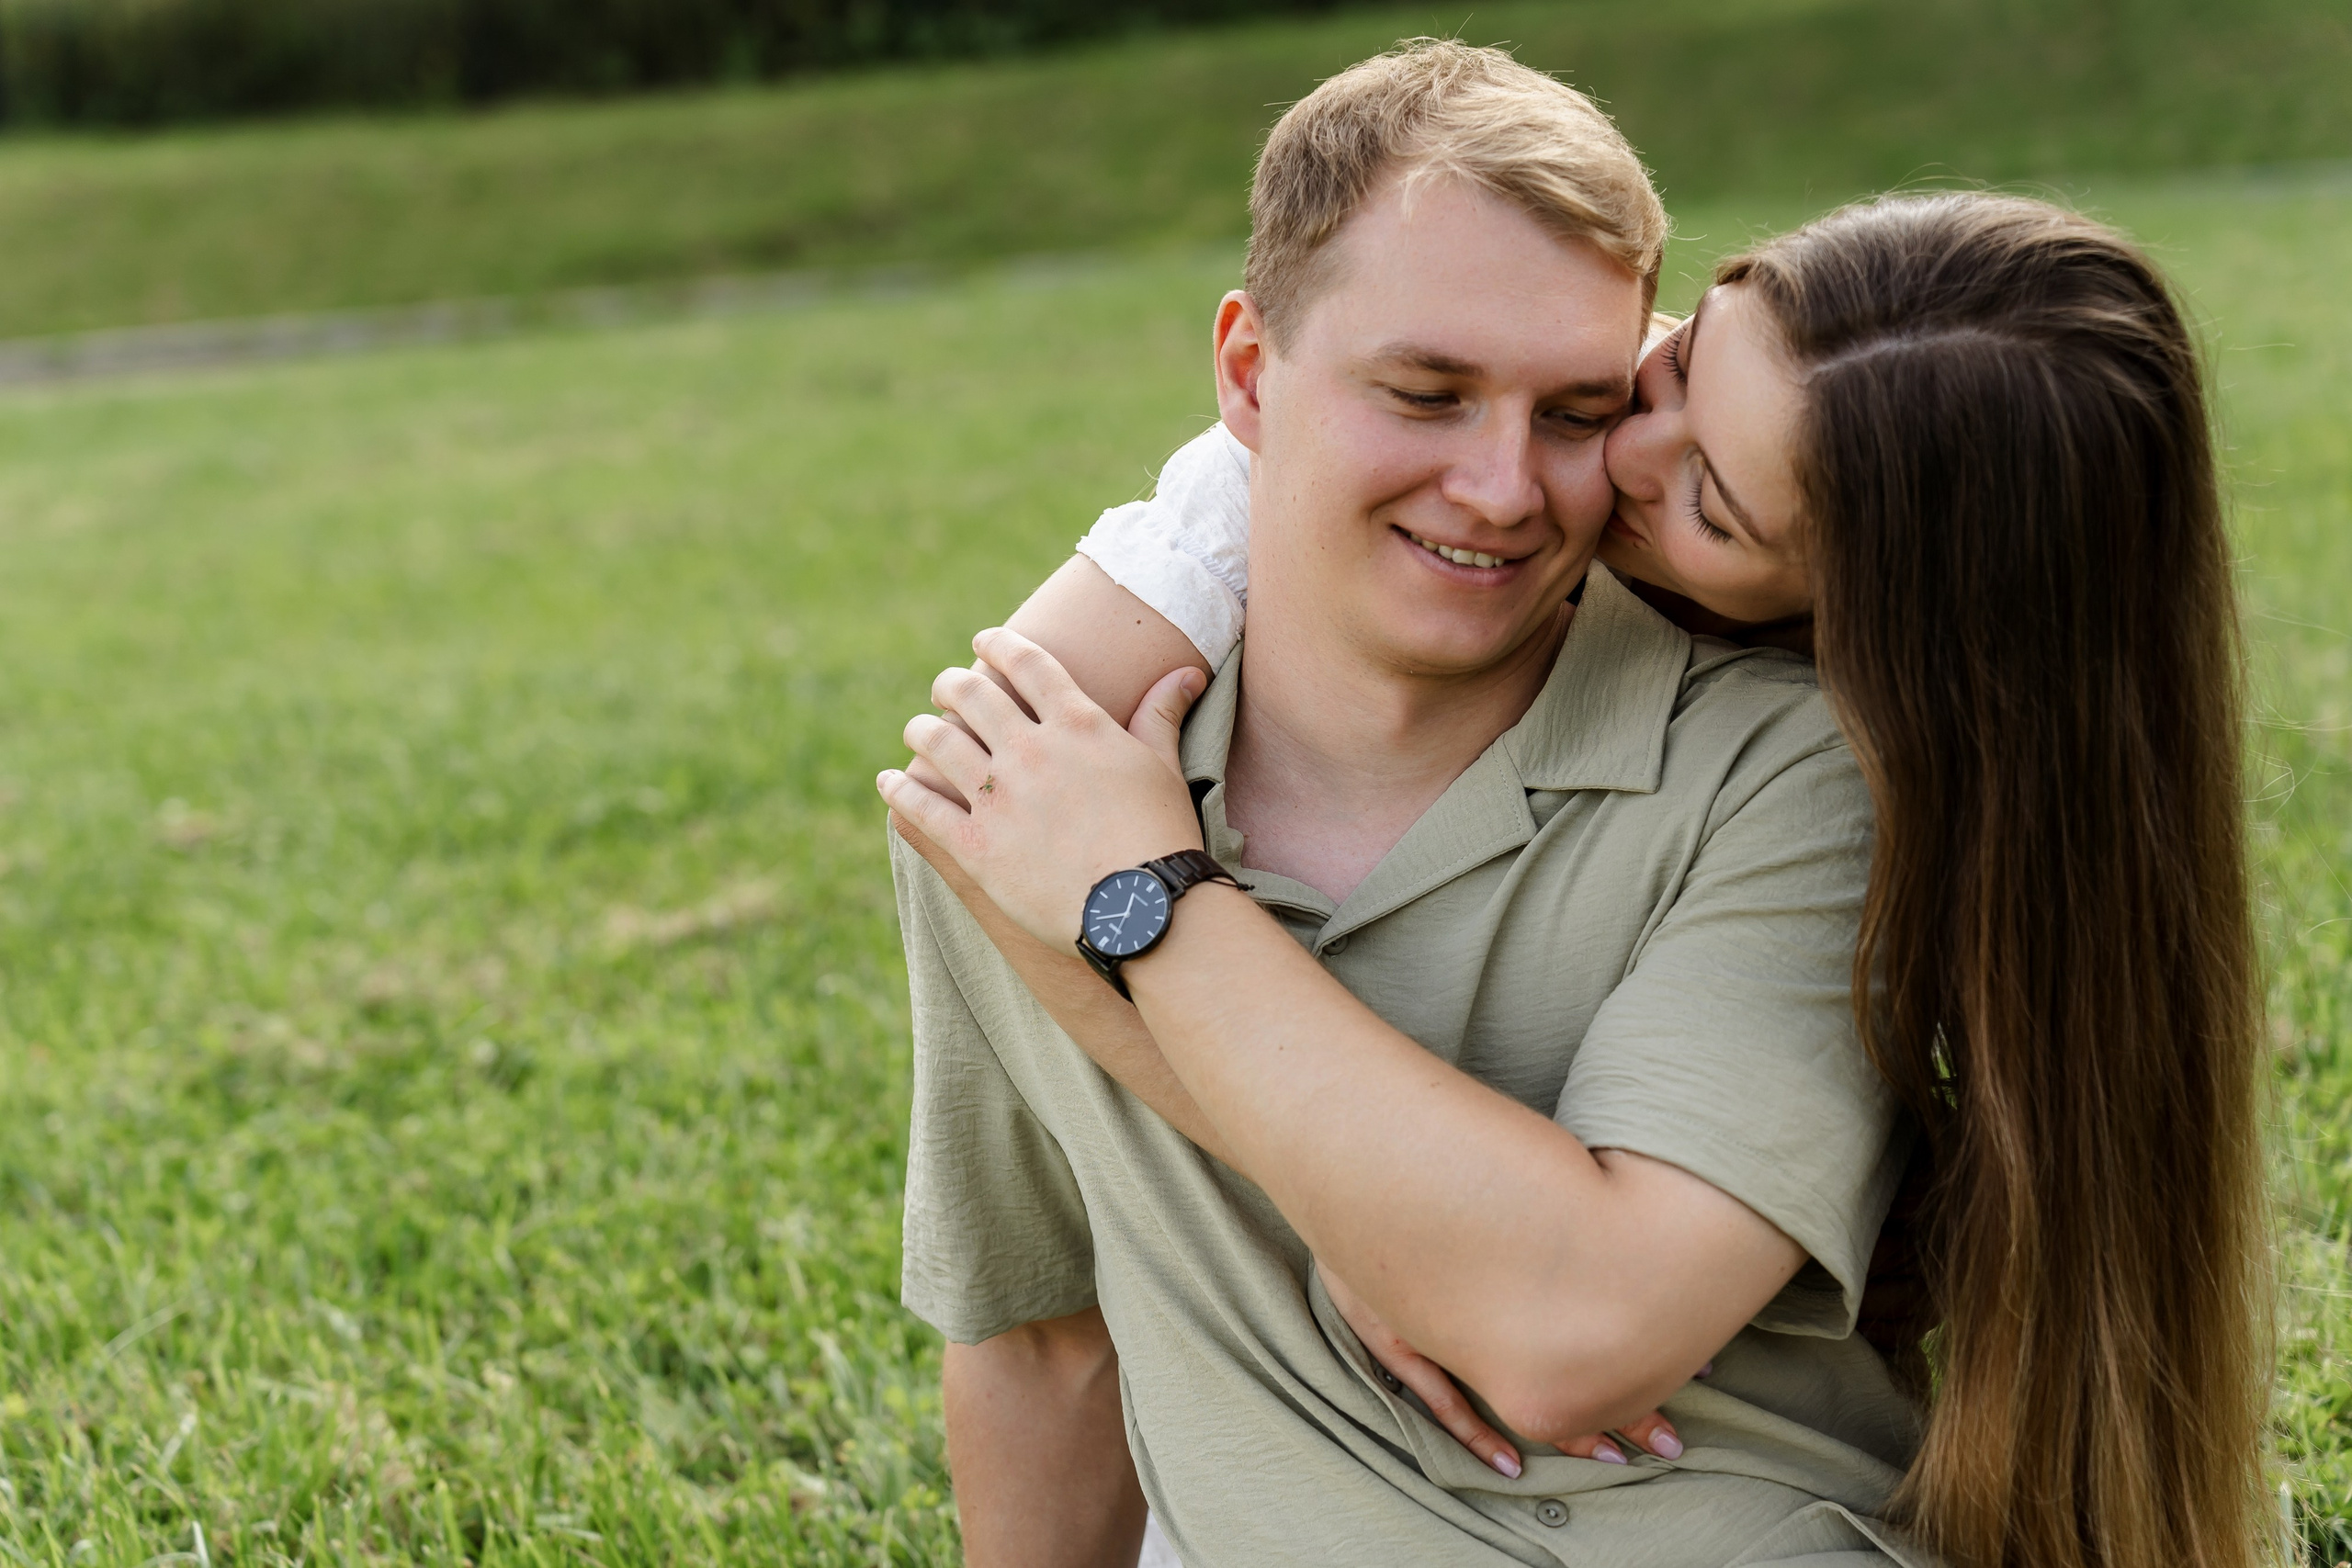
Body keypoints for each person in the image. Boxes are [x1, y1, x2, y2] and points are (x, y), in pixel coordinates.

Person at [885, 39, 2269, 1568]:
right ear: (1247, 378)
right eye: (1656, 382)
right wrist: (1340, 1205)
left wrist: (1146, 905)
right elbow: (1044, 1338)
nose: (1531, 486)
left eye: (1591, 418)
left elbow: (1570, 1336)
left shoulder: (1823, 771)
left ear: (1851, 609)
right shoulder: (1046, 774)